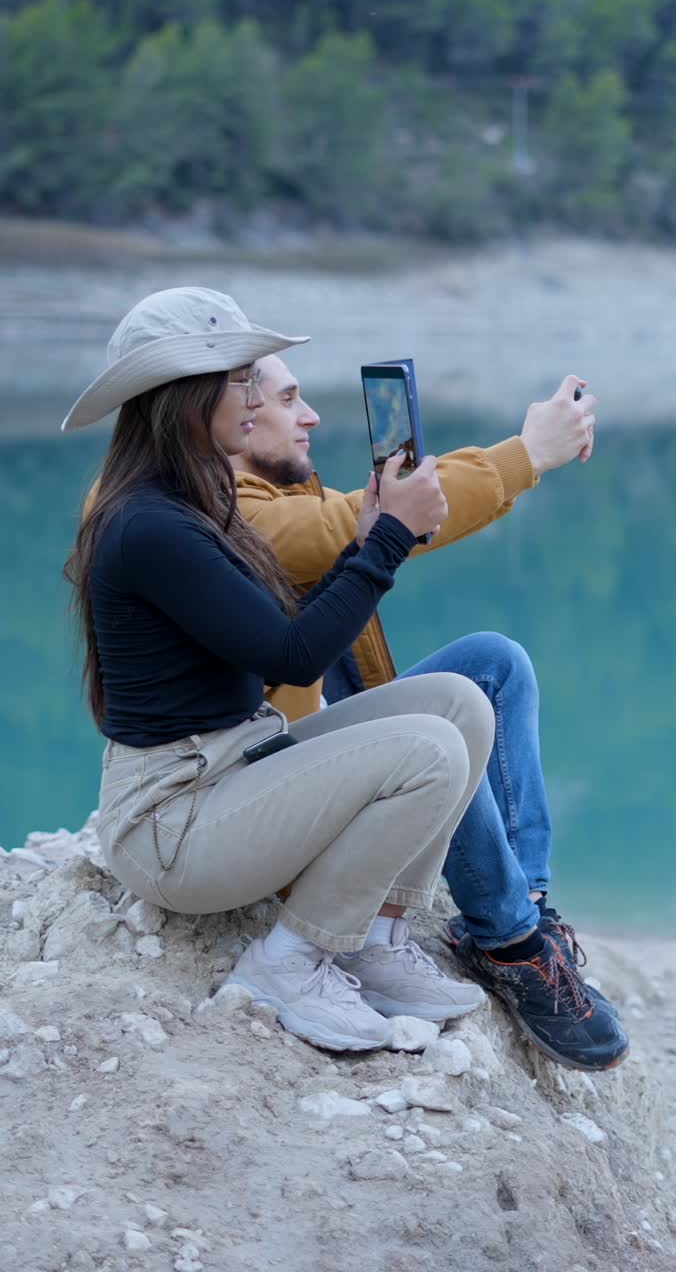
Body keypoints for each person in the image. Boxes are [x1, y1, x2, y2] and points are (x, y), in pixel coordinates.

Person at [64, 285, 498, 1054]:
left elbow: (283, 639)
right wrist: (387, 542)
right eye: (238, 378)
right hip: (173, 825)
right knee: (427, 752)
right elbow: (293, 657)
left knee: (460, 704)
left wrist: (367, 539)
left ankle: (373, 940)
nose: (252, 392)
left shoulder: (195, 501)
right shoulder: (149, 525)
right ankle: (290, 964)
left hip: (236, 764)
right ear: (185, 396)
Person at [229, 351, 629, 1072]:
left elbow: (357, 521)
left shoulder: (269, 490)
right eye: (292, 400)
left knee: (493, 664)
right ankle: (511, 943)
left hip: (324, 744)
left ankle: (526, 909)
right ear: (236, 412)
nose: (312, 416)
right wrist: (529, 453)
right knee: (442, 723)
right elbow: (368, 523)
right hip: (277, 798)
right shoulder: (228, 508)